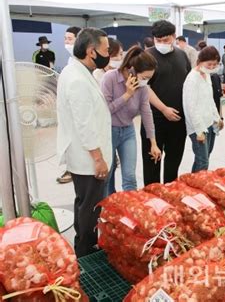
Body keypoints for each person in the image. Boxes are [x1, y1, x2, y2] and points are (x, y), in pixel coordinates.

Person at [56, 28, 112, 257]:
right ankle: (85, 252)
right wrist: (98, 159)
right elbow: (85, 125)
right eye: (106, 50)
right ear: (92, 51)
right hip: (87, 157)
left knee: (85, 203)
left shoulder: (79, 72)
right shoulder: (77, 79)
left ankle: (85, 244)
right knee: (90, 207)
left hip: (87, 155)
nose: (108, 54)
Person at [101, 46, 161, 196]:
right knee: (108, 175)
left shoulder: (142, 88)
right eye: (145, 78)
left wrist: (153, 142)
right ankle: (109, 207)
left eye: (149, 79)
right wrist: (127, 95)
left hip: (128, 131)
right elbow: (104, 111)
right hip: (108, 131)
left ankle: (131, 210)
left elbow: (147, 113)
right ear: (132, 70)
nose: (146, 82)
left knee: (130, 176)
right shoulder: (110, 78)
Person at [143, 20, 191, 184]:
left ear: (174, 37)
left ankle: (170, 195)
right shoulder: (146, 56)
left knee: (174, 161)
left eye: (166, 40)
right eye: (158, 40)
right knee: (152, 163)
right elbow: (144, 87)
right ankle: (152, 199)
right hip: (154, 119)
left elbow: (188, 83)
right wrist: (164, 109)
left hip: (178, 119)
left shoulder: (181, 55)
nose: (162, 44)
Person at [183, 46, 223, 172]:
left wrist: (217, 118)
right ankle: (195, 187)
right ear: (200, 61)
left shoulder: (206, 75)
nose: (212, 67)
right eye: (209, 64)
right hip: (198, 127)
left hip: (209, 123)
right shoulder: (192, 79)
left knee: (206, 157)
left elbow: (210, 100)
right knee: (202, 161)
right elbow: (191, 108)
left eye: (215, 64)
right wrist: (199, 131)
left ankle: (197, 183)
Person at [57, 26, 82, 185]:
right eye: (65, 38)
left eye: (70, 39)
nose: (66, 42)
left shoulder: (85, 62)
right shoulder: (70, 61)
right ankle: (72, 168)